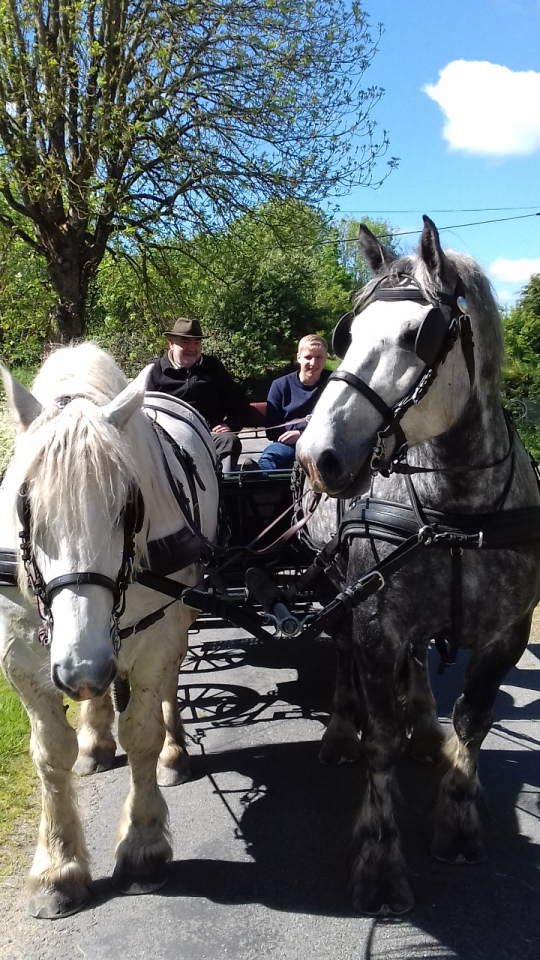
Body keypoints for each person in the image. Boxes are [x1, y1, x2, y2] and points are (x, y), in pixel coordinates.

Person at [146, 318, 254, 471]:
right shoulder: (155, 371)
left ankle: (225, 491)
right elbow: (141, 409)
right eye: (185, 342)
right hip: (168, 440)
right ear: (171, 344)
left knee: (229, 440)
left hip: (209, 437)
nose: (192, 348)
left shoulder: (213, 368)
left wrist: (229, 424)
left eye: (196, 343)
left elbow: (239, 401)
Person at [255, 334, 330, 471]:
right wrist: (294, 436)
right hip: (288, 446)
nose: (313, 363)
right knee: (268, 458)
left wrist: (301, 434)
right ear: (298, 357)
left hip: (325, 443)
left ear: (325, 358)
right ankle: (258, 482)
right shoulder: (280, 385)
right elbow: (271, 430)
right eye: (308, 357)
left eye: (319, 357)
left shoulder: (334, 383)